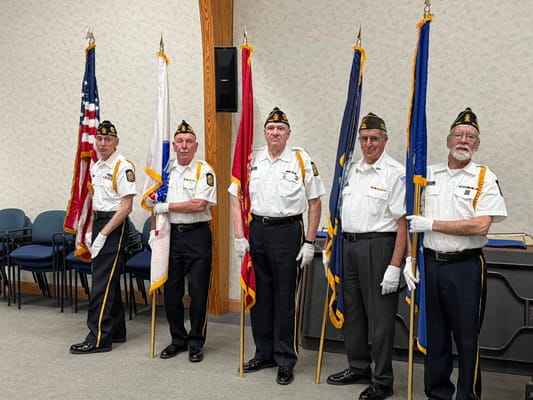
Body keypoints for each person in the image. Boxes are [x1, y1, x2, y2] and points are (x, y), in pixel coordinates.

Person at [404, 107, 507, 400]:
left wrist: (433, 224)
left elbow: (481, 225)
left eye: (471, 136)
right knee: (435, 335)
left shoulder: (484, 177)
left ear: (477, 145)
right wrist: (411, 259)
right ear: (449, 140)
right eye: (459, 134)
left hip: (465, 268)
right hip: (430, 264)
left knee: (466, 338)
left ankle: (467, 396)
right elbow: (408, 217)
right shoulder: (426, 175)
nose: (464, 139)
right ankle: (437, 393)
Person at [229, 106, 326, 385]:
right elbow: (235, 197)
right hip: (257, 230)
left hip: (287, 233)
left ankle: (285, 358)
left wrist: (309, 241)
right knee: (261, 296)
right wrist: (239, 235)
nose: (275, 133)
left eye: (280, 129)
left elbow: (315, 202)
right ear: (264, 132)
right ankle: (264, 353)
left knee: (284, 298)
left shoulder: (300, 159)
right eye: (271, 128)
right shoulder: (252, 158)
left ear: (288, 133)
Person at [326, 112, 406, 400]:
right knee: (353, 312)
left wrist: (395, 265)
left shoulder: (395, 172)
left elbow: (402, 222)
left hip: (379, 247)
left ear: (384, 140)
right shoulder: (350, 170)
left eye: (374, 138)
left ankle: (383, 380)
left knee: (381, 319)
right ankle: (358, 366)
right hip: (348, 246)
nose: (368, 144)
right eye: (364, 138)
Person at [152, 120, 217, 363]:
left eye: (189, 141)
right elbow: (151, 201)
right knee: (172, 291)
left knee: (198, 292)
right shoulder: (165, 171)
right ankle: (177, 339)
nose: (184, 146)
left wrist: (165, 206)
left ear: (196, 145)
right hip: (171, 235)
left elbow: (199, 204)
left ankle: (196, 342)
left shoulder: (204, 171)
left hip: (197, 235)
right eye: (179, 141)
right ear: (175, 145)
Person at [70, 120, 136, 354]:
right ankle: (116, 331)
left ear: (116, 142)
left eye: (108, 139)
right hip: (99, 222)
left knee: (100, 282)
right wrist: (90, 230)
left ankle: (98, 338)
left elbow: (126, 207)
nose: (102, 143)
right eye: (99, 138)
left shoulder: (123, 166)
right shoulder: (97, 167)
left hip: (114, 226)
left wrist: (104, 233)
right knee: (109, 280)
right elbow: (96, 202)